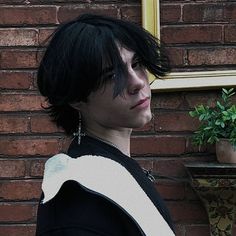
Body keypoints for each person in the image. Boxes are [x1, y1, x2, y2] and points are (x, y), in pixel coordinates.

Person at [36, 14, 175, 236]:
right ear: (77, 97)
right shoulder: (79, 200)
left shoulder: (117, 171)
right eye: (113, 75)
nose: (137, 82)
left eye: (136, 64)